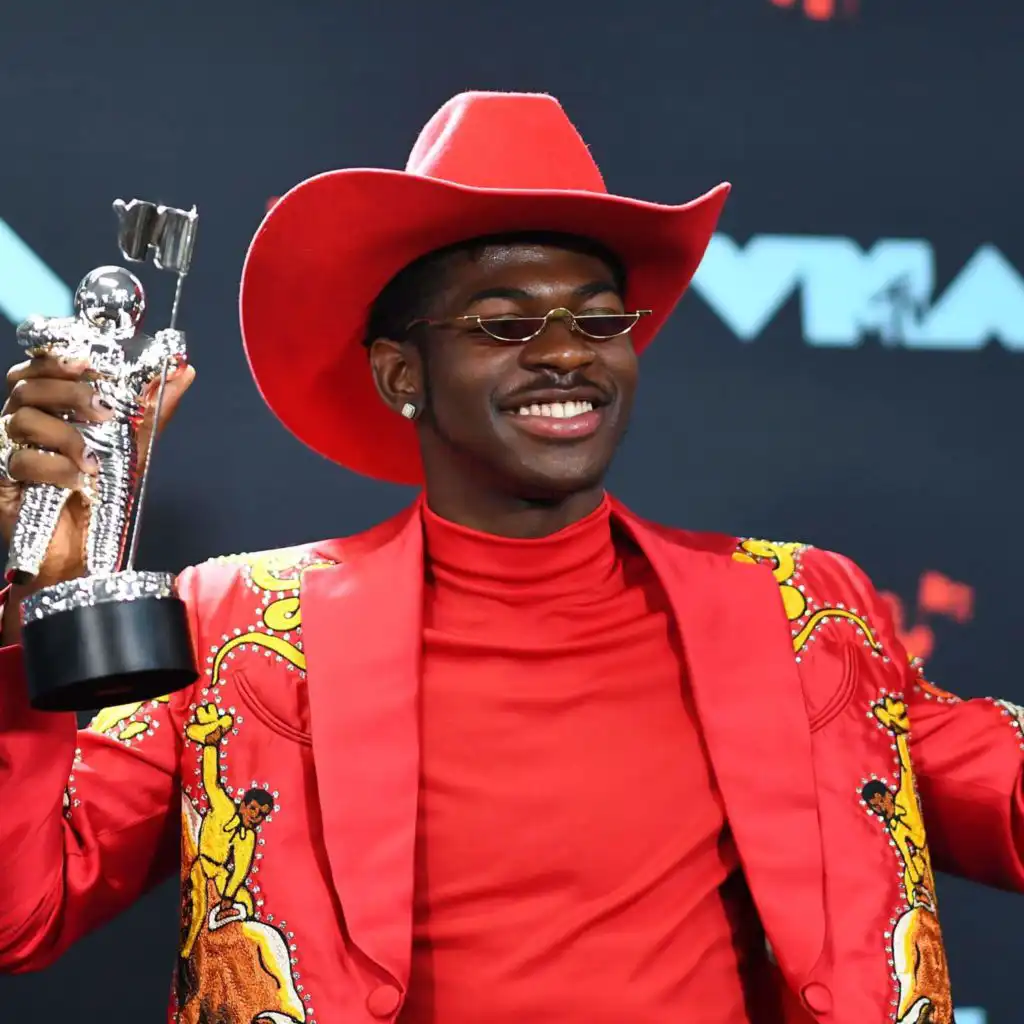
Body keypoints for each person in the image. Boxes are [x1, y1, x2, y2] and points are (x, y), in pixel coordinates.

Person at [0, 90, 1020, 1024]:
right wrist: (18, 618)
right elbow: (21, 912)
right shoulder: (236, 627)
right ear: (402, 374)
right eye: (504, 323)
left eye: (598, 317)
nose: (567, 351)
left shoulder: (803, 609)